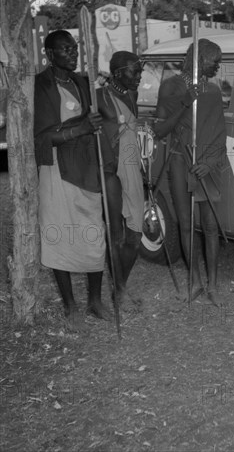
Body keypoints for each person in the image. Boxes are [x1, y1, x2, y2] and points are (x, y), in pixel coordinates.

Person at [34, 30, 109, 330]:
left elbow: (94, 119)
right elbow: (41, 136)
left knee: (94, 233)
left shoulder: (82, 82)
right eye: (65, 49)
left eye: (74, 48)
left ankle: (95, 300)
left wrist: (96, 123)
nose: (73, 53)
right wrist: (81, 128)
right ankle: (70, 306)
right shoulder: (40, 86)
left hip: (86, 167)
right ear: (50, 55)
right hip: (55, 170)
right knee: (58, 235)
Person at [154, 39, 226, 307]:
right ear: (198, 60)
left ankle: (214, 286)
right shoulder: (170, 86)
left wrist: (210, 161)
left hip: (208, 163)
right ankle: (194, 281)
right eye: (214, 61)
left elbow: (221, 133)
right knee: (186, 224)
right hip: (179, 160)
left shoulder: (214, 90)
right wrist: (185, 102)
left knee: (210, 226)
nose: (217, 67)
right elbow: (160, 130)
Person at [96, 51, 144, 310]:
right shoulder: (100, 98)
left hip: (132, 170)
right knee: (115, 235)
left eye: (140, 71)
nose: (139, 76)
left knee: (135, 234)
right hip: (110, 171)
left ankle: (120, 285)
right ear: (116, 73)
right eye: (134, 71)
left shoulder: (131, 95)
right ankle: (120, 291)